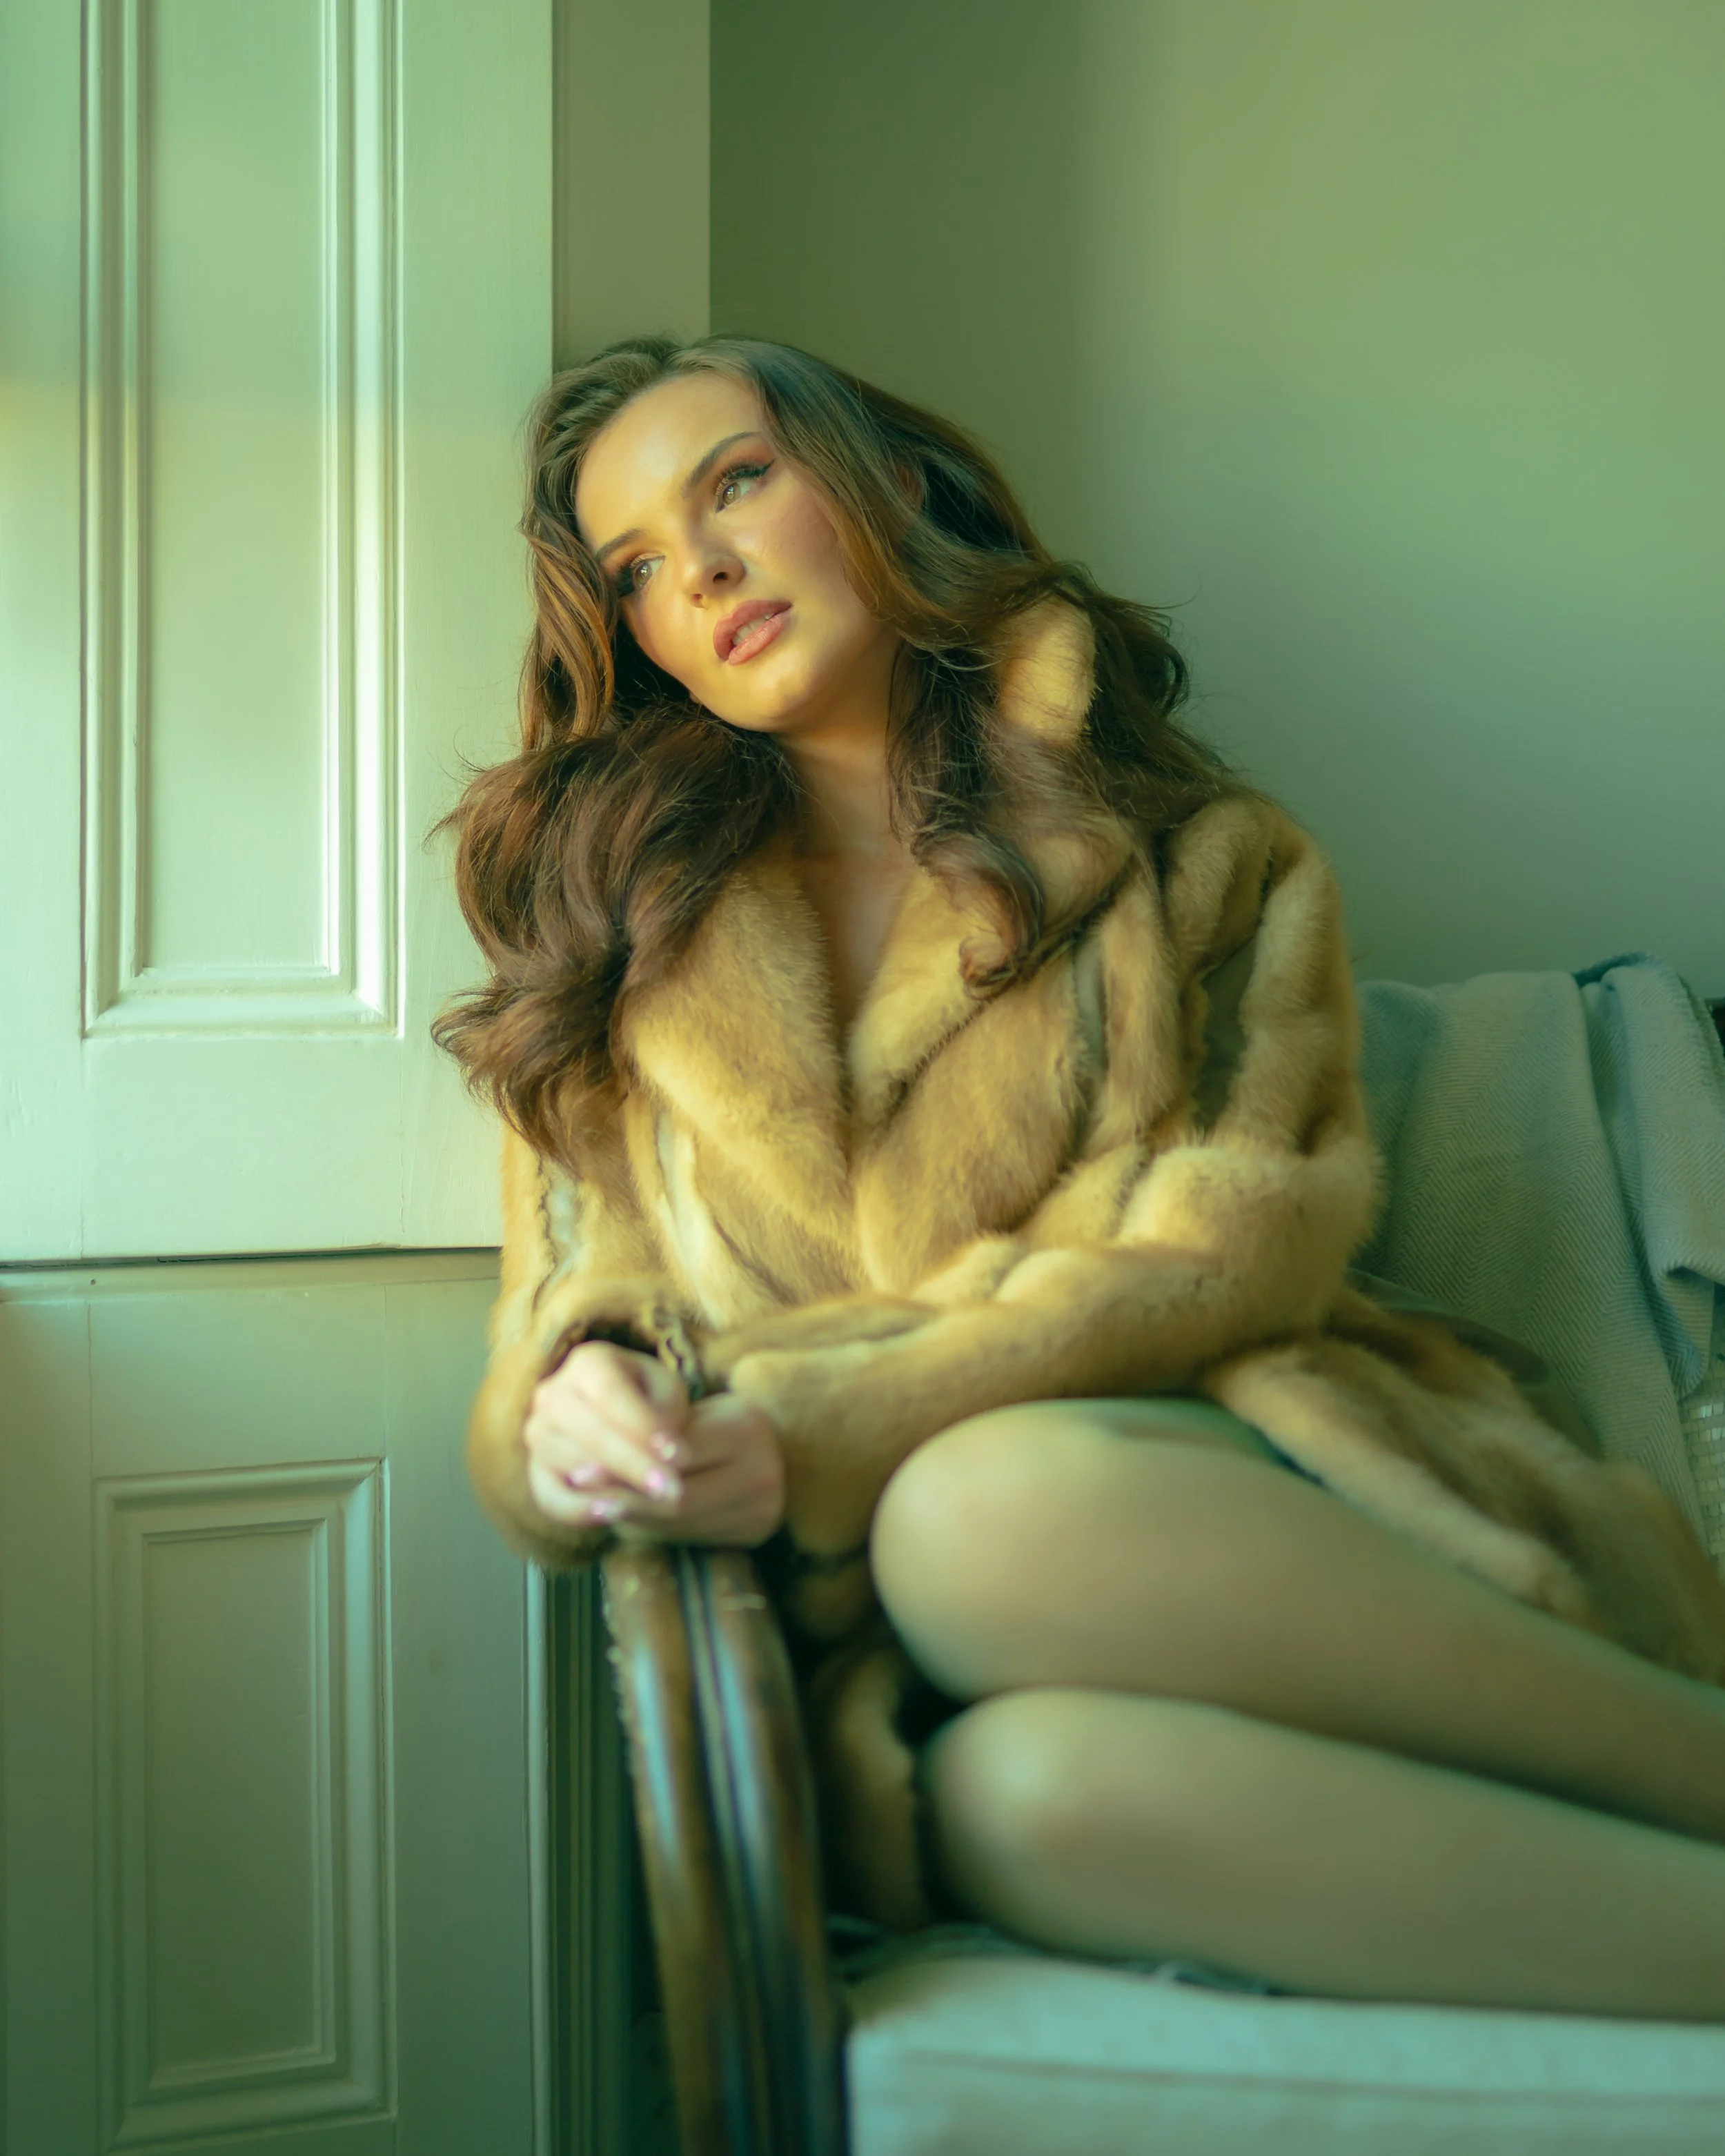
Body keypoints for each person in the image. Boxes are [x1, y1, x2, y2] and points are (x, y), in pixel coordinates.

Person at [437, 334, 1725, 2020]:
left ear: (891, 482)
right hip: (884, 1649)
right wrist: (581, 1401)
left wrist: (823, 1423)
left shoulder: (1192, 853)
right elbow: (573, 1283)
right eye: (634, 570)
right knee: (1013, 1796)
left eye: (736, 482)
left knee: (978, 1507)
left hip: (1211, 1468)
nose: (703, 570)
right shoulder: (615, 944)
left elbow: (1226, 1233)